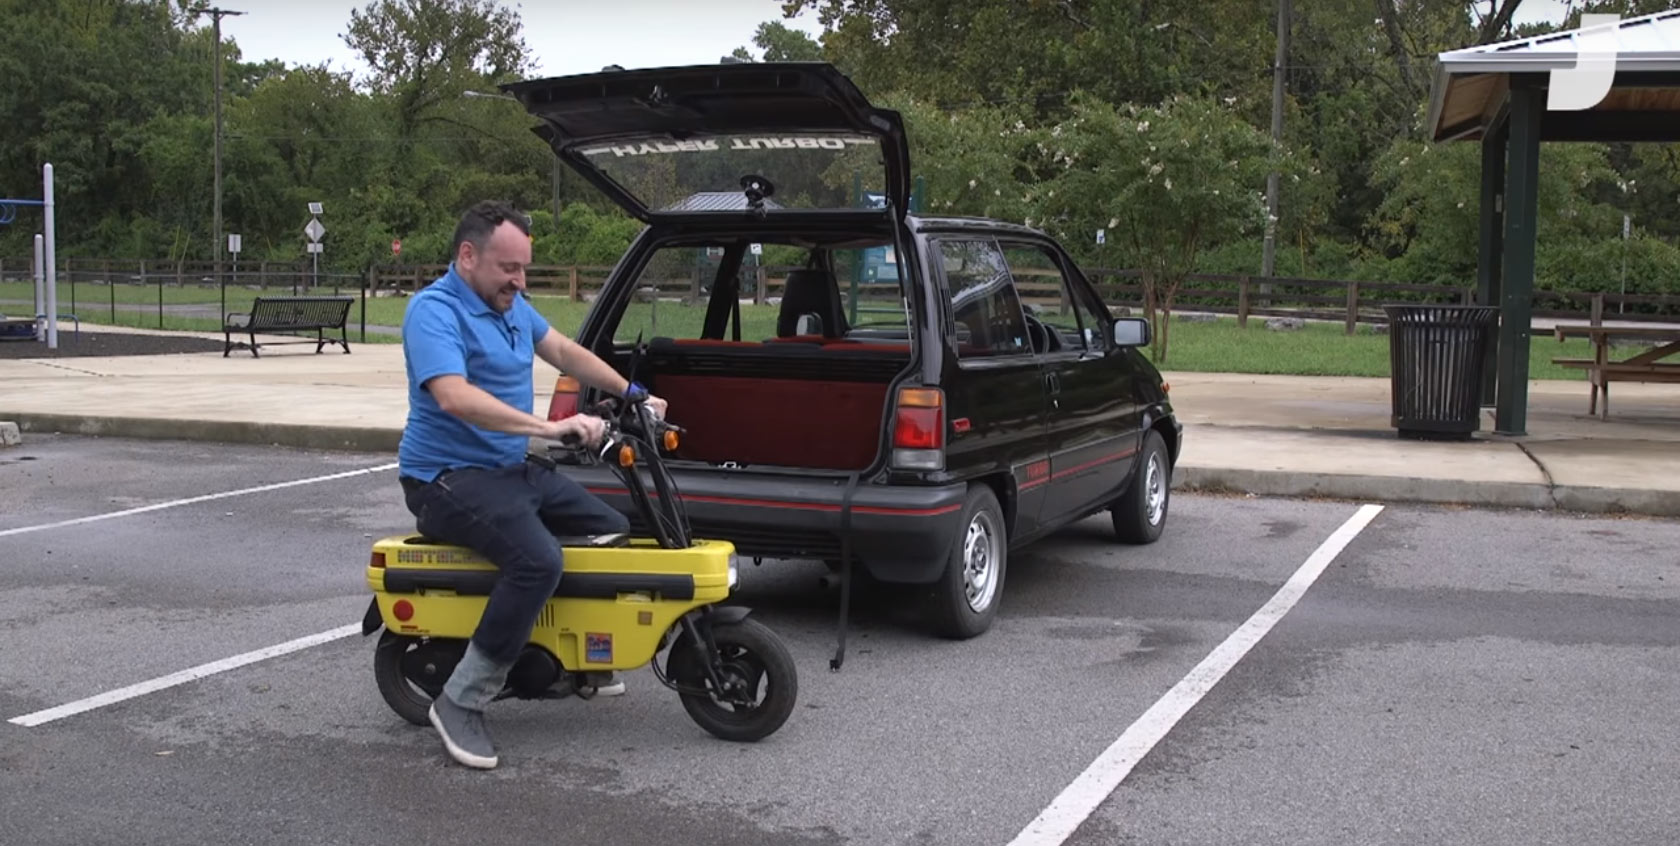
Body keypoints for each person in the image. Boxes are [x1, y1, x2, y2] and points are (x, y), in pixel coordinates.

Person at [396, 200, 667, 770]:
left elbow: (564, 352)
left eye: (524, 269)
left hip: (508, 471)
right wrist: (549, 429)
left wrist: (633, 395)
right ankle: (461, 699)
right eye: (508, 268)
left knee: (610, 531)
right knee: (538, 561)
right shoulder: (433, 311)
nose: (519, 281)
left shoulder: (513, 307)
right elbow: (453, 395)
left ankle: (574, 658)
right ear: (468, 256)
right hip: (444, 479)